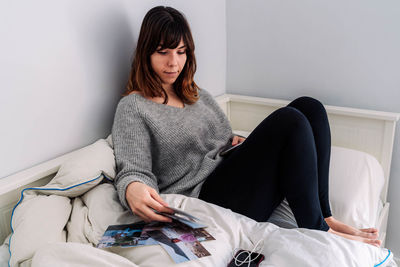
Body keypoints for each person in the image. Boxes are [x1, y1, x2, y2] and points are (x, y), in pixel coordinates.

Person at [111, 6, 381, 247]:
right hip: (206, 196)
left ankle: (325, 216)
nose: (174, 63)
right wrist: (131, 186)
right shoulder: (134, 106)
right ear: (146, 52)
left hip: (232, 177)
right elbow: (133, 168)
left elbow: (222, 138)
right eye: (163, 52)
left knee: (309, 106)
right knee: (290, 120)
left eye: (181, 52)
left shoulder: (196, 94)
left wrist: (235, 142)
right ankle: (315, 228)